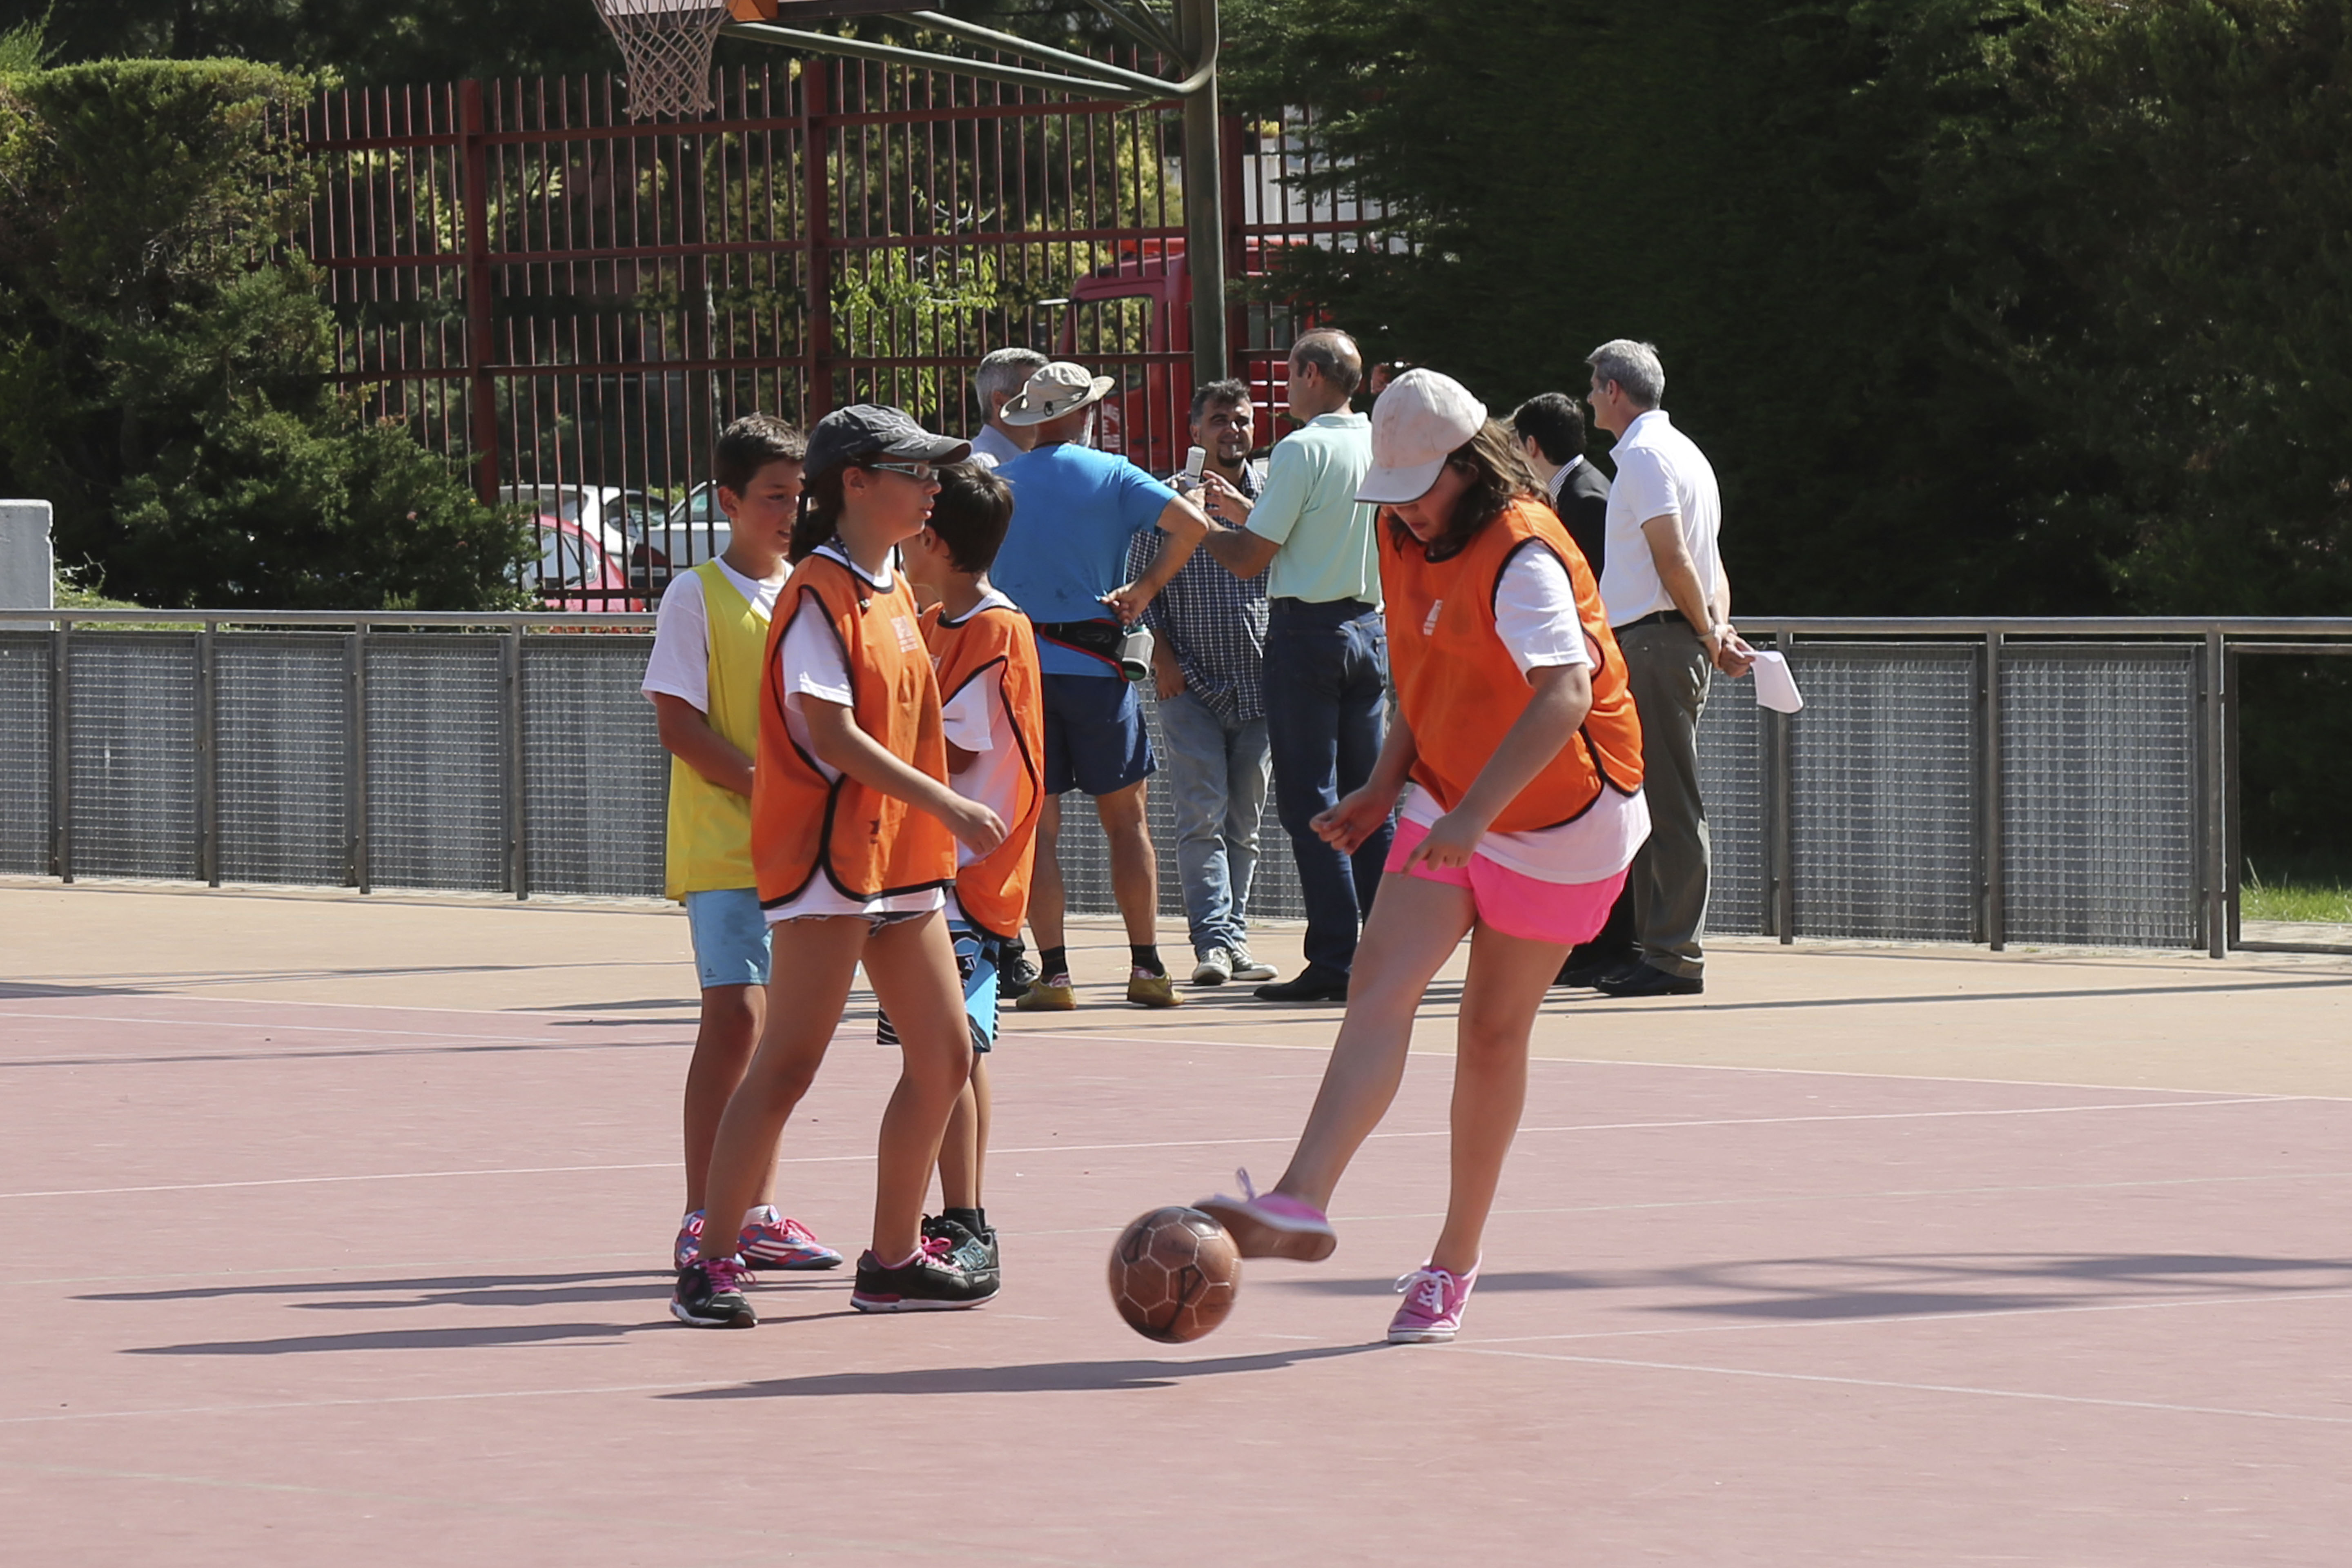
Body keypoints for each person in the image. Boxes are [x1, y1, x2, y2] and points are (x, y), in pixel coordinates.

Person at [1195, 369, 1648, 1345]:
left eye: (1418, 485)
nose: (1400, 507)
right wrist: (1382, 785)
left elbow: (1562, 694)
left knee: (1488, 1035)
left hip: (1562, 818)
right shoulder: (1402, 534)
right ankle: (1298, 1197)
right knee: (1378, 987)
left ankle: (1453, 1260)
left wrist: (1470, 817)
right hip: (1451, 795)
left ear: (1465, 464)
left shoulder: (1520, 551)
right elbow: (1427, 674)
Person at [672, 404, 1005, 1329]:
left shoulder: (895, 584)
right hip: (828, 859)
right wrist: (947, 800)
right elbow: (831, 733)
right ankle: (709, 1259)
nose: (934, 485)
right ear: (854, 481)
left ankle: (892, 1256)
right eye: (915, 469)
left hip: (898, 860)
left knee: (942, 1055)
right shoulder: (816, 590)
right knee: (784, 1066)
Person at [640, 414, 843, 1278]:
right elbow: (678, 725)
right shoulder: (697, 594)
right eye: (773, 497)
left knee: (780, 1038)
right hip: (728, 845)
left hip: (805, 850)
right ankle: (703, 1213)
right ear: (728, 501)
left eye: (801, 497)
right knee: (735, 1019)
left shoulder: (811, 590)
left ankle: (755, 1209)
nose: (790, 512)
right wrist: (770, 787)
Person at [989, 360, 1218, 1011]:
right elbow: (1192, 526)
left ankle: (1055, 975)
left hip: (1021, 674)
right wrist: (1142, 590)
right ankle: (1147, 966)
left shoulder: (998, 481)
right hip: (1098, 668)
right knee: (1128, 822)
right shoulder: (1115, 474)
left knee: (1038, 825)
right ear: (1082, 413)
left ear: (1035, 418)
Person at [888, 459, 1044, 1294]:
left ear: (935, 540)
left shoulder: (989, 627)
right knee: (953, 1054)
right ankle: (957, 1216)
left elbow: (958, 745)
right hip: (940, 870)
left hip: (967, 877)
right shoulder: (940, 613)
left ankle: (965, 1220)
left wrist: (857, 750)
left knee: (944, 1053)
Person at [1196, 329, 1387, 1004]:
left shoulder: (1301, 449)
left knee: (1313, 801)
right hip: (1370, 626)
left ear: (1310, 374)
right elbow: (1301, 533)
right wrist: (1246, 518)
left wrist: (1195, 524)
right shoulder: (1374, 440)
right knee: (1371, 799)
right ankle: (1392, 954)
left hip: (1308, 632)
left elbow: (1250, 557)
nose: (1282, 386)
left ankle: (1336, 959)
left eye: (1289, 372)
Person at [1580, 340, 1753, 999]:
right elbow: (1709, 565)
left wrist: (1711, 632)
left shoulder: (1648, 457)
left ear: (1616, 390)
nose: (1591, 397)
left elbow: (1676, 557)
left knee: (1669, 804)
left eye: (1595, 386)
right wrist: (1718, 630)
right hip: (1663, 641)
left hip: (1655, 644)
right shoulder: (1681, 453)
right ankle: (1660, 948)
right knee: (1655, 802)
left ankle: (1675, 954)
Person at [1127, 379, 1280, 987]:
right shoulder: (1168, 501)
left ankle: (1236, 937)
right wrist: (1163, 654)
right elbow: (1141, 587)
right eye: (1219, 420)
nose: (1232, 431)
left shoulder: (1272, 498)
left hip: (1262, 686)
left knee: (1246, 821)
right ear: (1195, 432)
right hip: (1188, 683)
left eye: (1241, 420)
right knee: (1201, 817)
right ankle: (1211, 943)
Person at [1512, 391, 1632, 984]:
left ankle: (1608, 943)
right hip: (1591, 671)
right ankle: (1594, 942)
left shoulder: (1583, 499)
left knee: (1598, 805)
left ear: (1533, 447)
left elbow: (1585, 596)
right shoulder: (1583, 489)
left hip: (1592, 675)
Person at [1510, 392, 1610, 577]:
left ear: (1531, 446)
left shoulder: (1585, 503)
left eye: (1517, 446)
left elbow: (1590, 582)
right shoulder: (1579, 486)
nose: (1515, 457)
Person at [968, 347, 1048, 470]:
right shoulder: (981, 467)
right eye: (1035, 395)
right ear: (999, 401)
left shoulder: (1031, 459)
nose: (1048, 405)